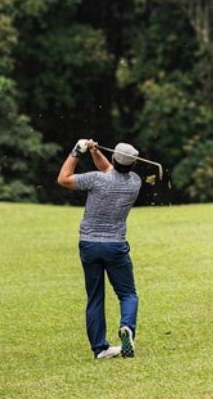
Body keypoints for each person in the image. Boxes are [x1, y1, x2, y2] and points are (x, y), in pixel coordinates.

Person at [57, 139, 142, 359]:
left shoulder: (97, 180)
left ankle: (100, 349)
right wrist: (95, 151)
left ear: (114, 158)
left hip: (89, 245)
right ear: (132, 165)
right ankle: (127, 328)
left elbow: (63, 179)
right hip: (115, 246)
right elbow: (111, 170)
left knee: (95, 297)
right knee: (127, 294)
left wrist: (77, 150)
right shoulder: (135, 182)